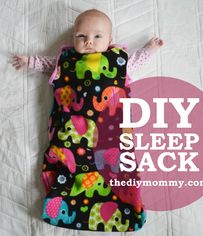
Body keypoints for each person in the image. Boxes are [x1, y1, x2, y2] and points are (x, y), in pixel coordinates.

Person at [11, 9, 163, 232]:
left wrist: (150, 49)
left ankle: (126, 210)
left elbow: (136, 63)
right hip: (72, 133)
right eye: (81, 36)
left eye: (97, 36)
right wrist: (29, 60)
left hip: (112, 134)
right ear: (73, 39)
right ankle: (63, 202)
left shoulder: (118, 62)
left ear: (110, 40)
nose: (89, 41)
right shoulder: (66, 61)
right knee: (70, 163)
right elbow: (46, 65)